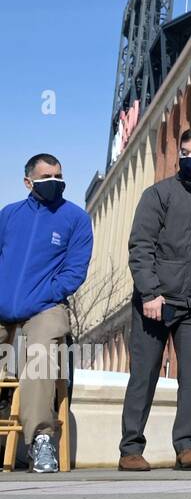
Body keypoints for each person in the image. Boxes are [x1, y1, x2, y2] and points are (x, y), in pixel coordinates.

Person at [119, 128, 191, 472]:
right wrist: (150, 293)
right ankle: (131, 449)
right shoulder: (159, 194)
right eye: (185, 151)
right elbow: (141, 247)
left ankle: (186, 447)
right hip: (157, 301)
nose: (190, 158)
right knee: (144, 374)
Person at [0, 153, 93, 472]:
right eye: (46, 178)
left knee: (39, 355)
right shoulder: (9, 215)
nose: (55, 183)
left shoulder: (76, 218)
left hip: (46, 307)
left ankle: (41, 440)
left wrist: (44, 293)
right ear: (28, 182)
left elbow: (75, 271)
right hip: (3, 308)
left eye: (58, 176)